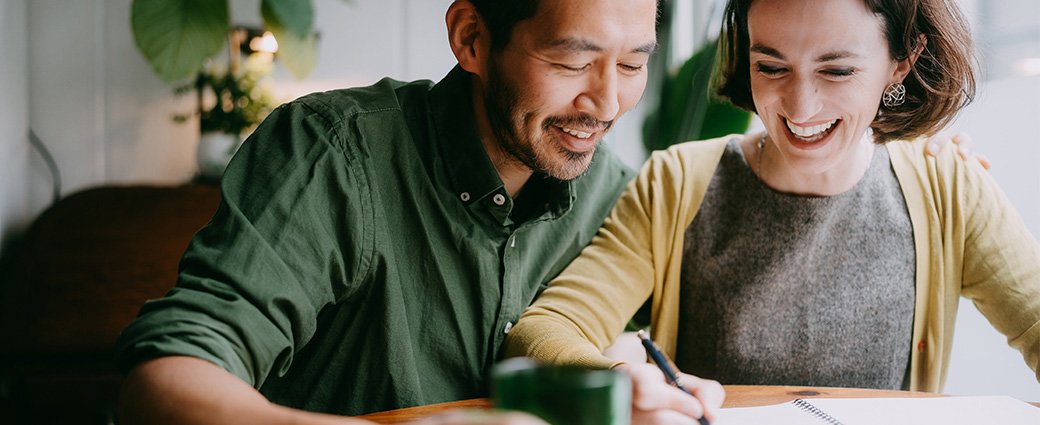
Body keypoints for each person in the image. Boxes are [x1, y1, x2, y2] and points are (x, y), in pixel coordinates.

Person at [114, 0, 727, 424]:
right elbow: (164, 378)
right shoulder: (335, 153)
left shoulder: (618, 198)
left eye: (632, 64)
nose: (608, 102)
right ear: (471, 38)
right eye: (571, 62)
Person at [504, 0, 1040, 411]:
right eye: (772, 67)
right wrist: (621, 382)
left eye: (837, 71)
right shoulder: (676, 183)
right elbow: (541, 333)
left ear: (901, 63)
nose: (800, 107)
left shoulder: (949, 187)